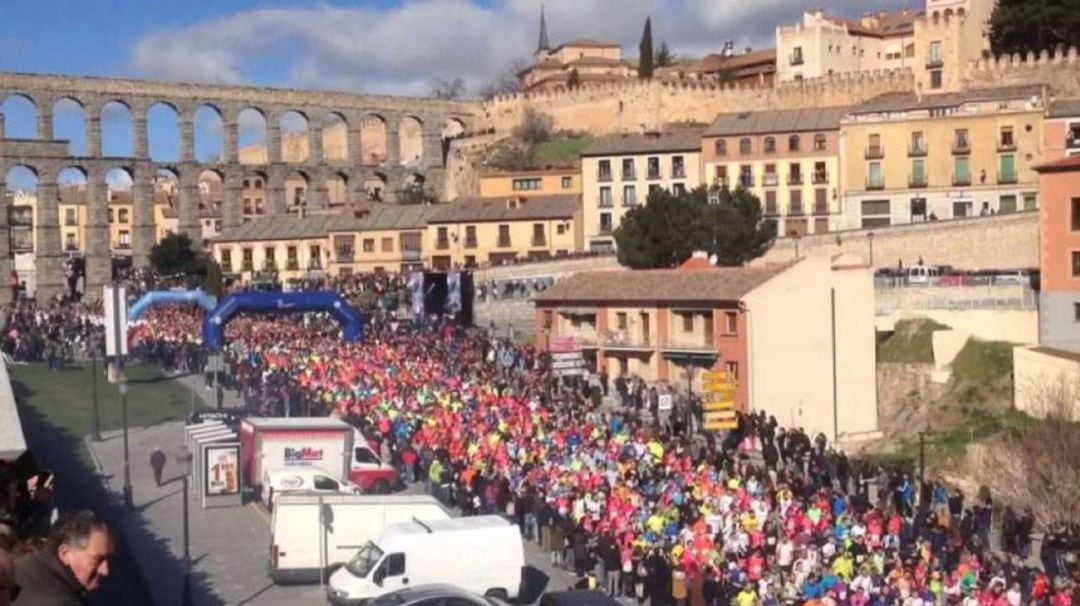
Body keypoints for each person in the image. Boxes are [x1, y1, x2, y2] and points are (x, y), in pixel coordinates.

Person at [12, 510, 114, 606]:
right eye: (97, 560)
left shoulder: (18, 568)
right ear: (65, 553)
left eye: (109, 559)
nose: (105, 571)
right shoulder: (63, 602)